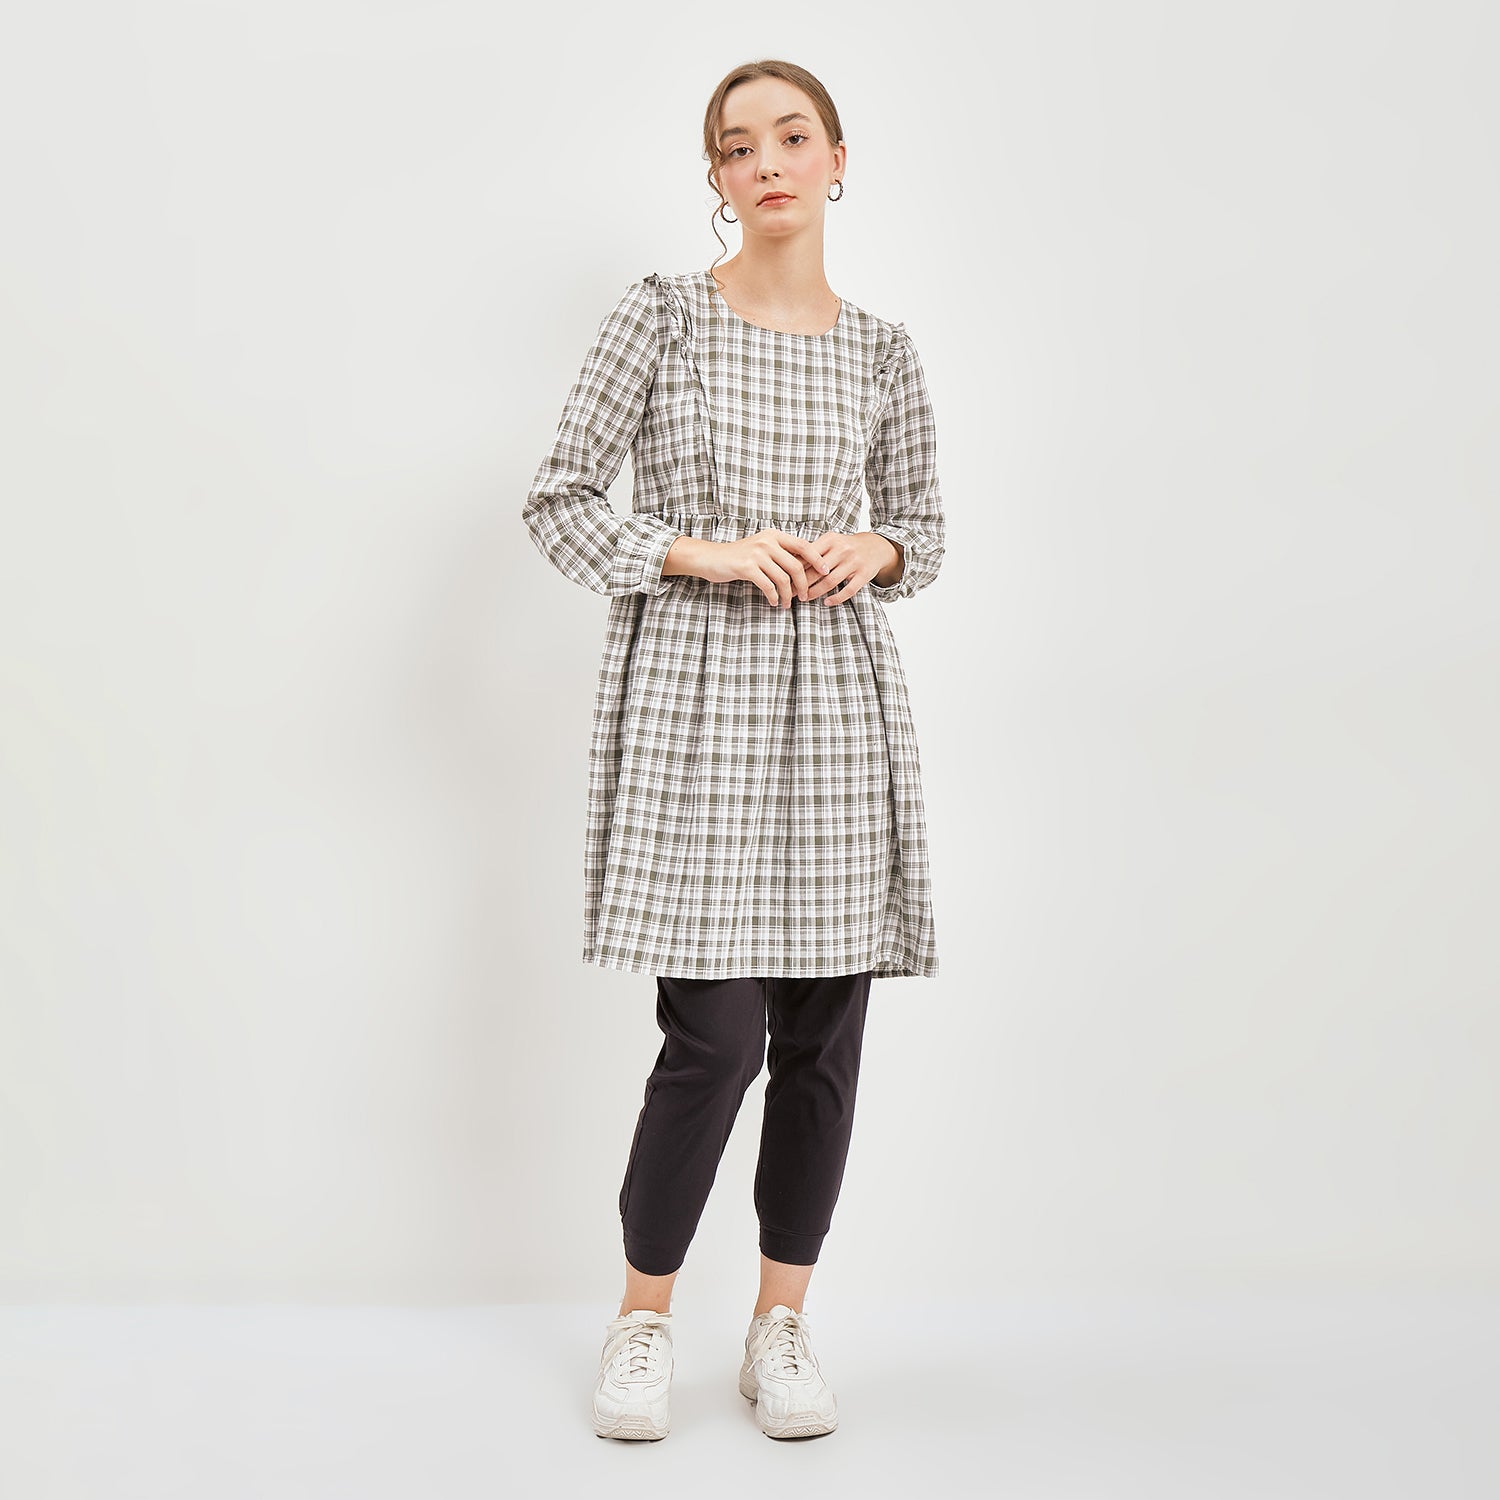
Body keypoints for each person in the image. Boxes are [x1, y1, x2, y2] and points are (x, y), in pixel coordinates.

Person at [522, 58, 946, 1442]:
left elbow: (924, 535)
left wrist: (874, 548)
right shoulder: (659, 318)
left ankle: (781, 1324)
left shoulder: (883, 351)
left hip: (835, 708)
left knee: (821, 1039)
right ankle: (642, 1321)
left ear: (836, 160)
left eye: (792, 136)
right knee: (710, 1040)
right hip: (698, 705)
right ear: (716, 177)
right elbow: (560, 500)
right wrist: (700, 552)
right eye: (737, 145)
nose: (766, 161)